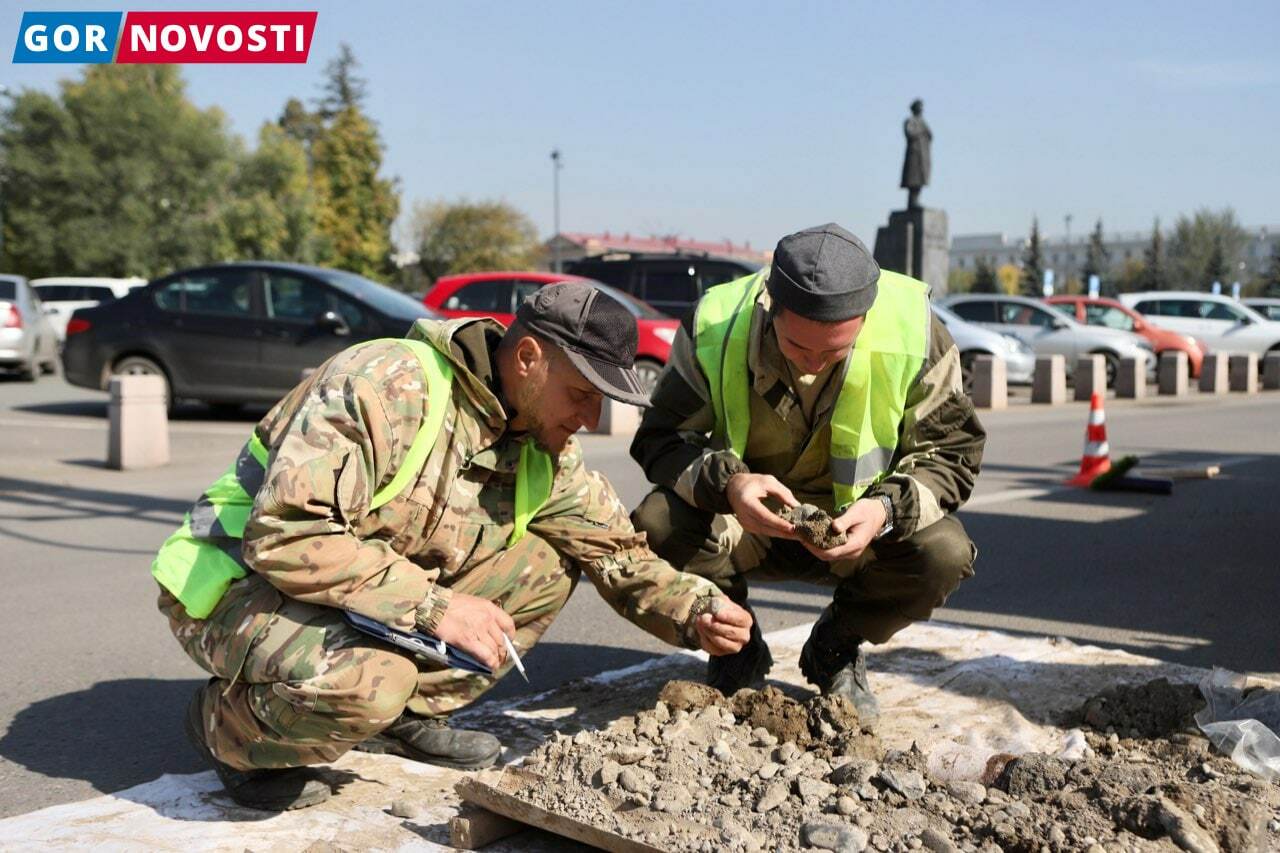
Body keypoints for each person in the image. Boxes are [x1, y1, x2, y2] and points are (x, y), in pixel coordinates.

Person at [153, 281, 753, 811]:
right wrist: (439, 607)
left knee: (547, 563)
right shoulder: (388, 387)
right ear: (528, 359)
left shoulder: (541, 445)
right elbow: (286, 534)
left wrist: (695, 608)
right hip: (237, 584)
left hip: (356, 595)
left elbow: (613, 550)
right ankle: (227, 731)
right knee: (370, 682)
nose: (590, 419)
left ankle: (402, 716)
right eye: (582, 394)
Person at [630, 223, 984, 723]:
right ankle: (736, 648)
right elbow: (660, 439)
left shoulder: (914, 328)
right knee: (657, 521)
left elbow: (953, 452)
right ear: (771, 310)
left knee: (944, 552)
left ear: (864, 317)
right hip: (745, 524)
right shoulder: (716, 323)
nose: (814, 365)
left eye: (833, 352)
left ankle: (835, 648)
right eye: (798, 348)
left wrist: (882, 510)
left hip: (856, 533)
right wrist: (731, 485)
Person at [901, 98, 932, 209]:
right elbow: (909, 133)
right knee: (913, 180)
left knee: (920, 179)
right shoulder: (910, 121)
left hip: (923, 155)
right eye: (920, 107)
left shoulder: (923, 122)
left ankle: (915, 202)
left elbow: (930, 136)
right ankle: (912, 203)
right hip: (914, 155)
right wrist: (921, 131)